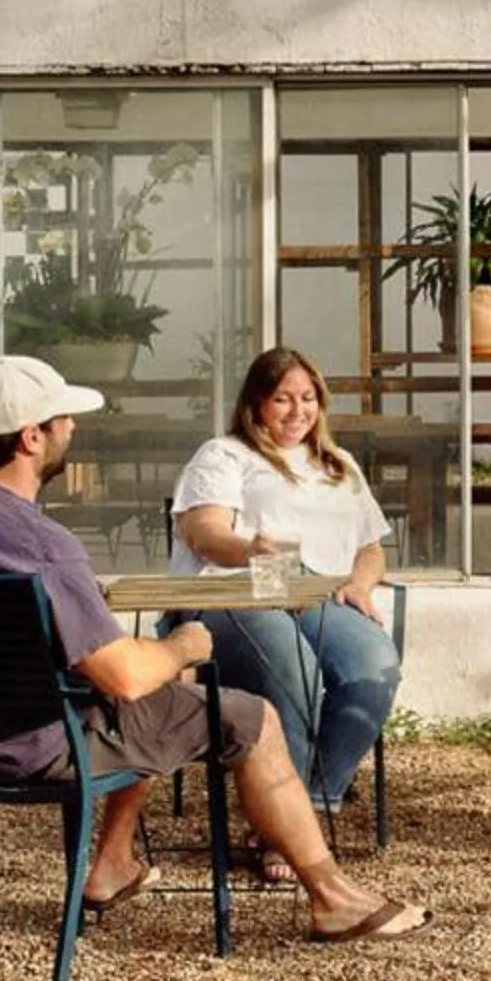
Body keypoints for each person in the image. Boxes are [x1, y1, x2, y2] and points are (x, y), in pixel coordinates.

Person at [0, 352, 426, 941]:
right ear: (31, 438)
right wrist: (183, 643)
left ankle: (111, 864)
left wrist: (82, 605)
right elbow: (124, 678)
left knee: (167, 699)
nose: (73, 429)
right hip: (44, 743)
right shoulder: (45, 545)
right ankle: (332, 898)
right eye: (63, 420)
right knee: (250, 716)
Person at [169, 346, 402, 876]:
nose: (298, 411)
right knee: (293, 669)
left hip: (320, 596)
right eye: (282, 399)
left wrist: (362, 585)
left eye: (308, 398)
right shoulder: (224, 455)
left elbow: (371, 547)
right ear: (256, 404)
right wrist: (250, 549)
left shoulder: (338, 465)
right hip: (237, 594)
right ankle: (282, 831)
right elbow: (204, 532)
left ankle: (307, 806)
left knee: (374, 670)